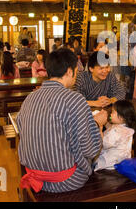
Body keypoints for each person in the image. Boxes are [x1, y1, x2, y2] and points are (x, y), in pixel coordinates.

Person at [18, 48, 107, 193]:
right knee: (101, 158)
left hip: (33, 174)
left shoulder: (30, 97)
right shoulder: (74, 99)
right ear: (70, 71)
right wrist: (97, 124)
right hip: (67, 180)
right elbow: (90, 150)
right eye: (76, 73)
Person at [93, 100, 136, 171]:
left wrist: (100, 126)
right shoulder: (125, 127)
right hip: (122, 161)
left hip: (110, 165)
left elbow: (102, 143)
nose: (110, 114)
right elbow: (110, 128)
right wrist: (105, 122)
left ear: (121, 117)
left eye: (113, 112)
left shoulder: (116, 131)